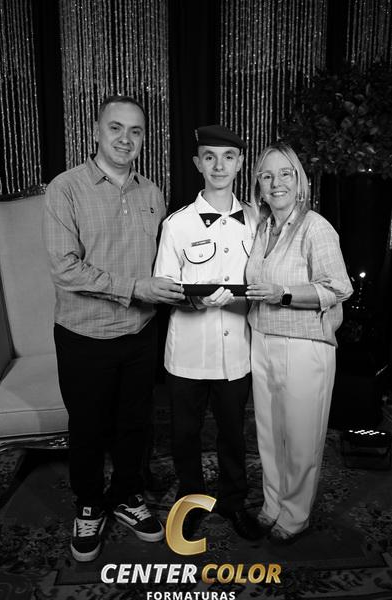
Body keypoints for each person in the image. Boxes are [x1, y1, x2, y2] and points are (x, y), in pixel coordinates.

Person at [43, 95, 184, 562]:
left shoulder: (152, 193)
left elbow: (165, 263)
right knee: (87, 427)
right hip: (84, 334)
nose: (126, 139)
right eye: (116, 128)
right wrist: (136, 287)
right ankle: (88, 503)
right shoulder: (65, 188)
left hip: (141, 332)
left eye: (135, 131)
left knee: (135, 423)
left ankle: (126, 494)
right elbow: (65, 269)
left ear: (144, 138)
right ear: (96, 132)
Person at [154, 124, 262, 540]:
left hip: (238, 350)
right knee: (186, 434)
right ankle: (192, 500)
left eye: (228, 157)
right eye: (210, 157)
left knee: (234, 433)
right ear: (197, 164)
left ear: (240, 163)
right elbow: (164, 287)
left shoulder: (257, 221)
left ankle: (234, 502)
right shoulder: (177, 224)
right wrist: (197, 302)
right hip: (188, 352)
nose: (219, 166)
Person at [245, 141, 353, 545]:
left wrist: (284, 294)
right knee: (269, 434)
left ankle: (294, 515)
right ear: (258, 184)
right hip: (263, 339)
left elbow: (338, 288)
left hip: (304, 345)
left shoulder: (315, 227)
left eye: (285, 174)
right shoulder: (261, 228)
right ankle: (273, 503)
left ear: (299, 181)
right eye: (267, 175)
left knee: (302, 439)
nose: (277, 183)